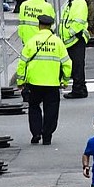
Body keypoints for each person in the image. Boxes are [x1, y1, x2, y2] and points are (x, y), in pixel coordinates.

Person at [16, 14, 71, 145]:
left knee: (34, 107)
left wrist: (20, 81)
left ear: (39, 25)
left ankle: (36, 132)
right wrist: (65, 81)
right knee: (51, 109)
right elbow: (67, 63)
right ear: (51, 26)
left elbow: (22, 63)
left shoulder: (31, 41)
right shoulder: (58, 42)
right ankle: (47, 135)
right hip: (52, 82)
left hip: (34, 82)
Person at [60, 0, 89, 98]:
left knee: (77, 66)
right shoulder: (71, 3)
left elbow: (78, 23)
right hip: (70, 40)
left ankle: (79, 90)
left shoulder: (80, 3)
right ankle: (79, 88)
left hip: (76, 39)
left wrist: (68, 35)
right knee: (75, 66)